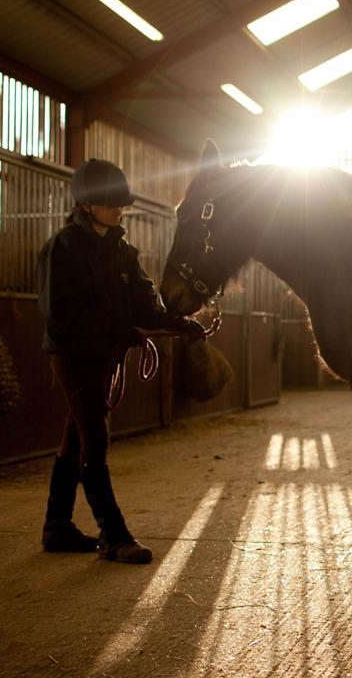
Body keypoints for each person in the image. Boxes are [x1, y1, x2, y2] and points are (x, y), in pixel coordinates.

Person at [37, 158, 205, 563]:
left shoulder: (123, 251)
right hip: (73, 355)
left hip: (107, 354)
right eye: (110, 202)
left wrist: (184, 324)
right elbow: (62, 314)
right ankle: (114, 535)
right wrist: (121, 332)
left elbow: (145, 305)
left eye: (120, 202)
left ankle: (56, 527)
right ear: (87, 204)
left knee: (75, 436)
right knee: (95, 436)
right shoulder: (62, 250)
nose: (119, 208)